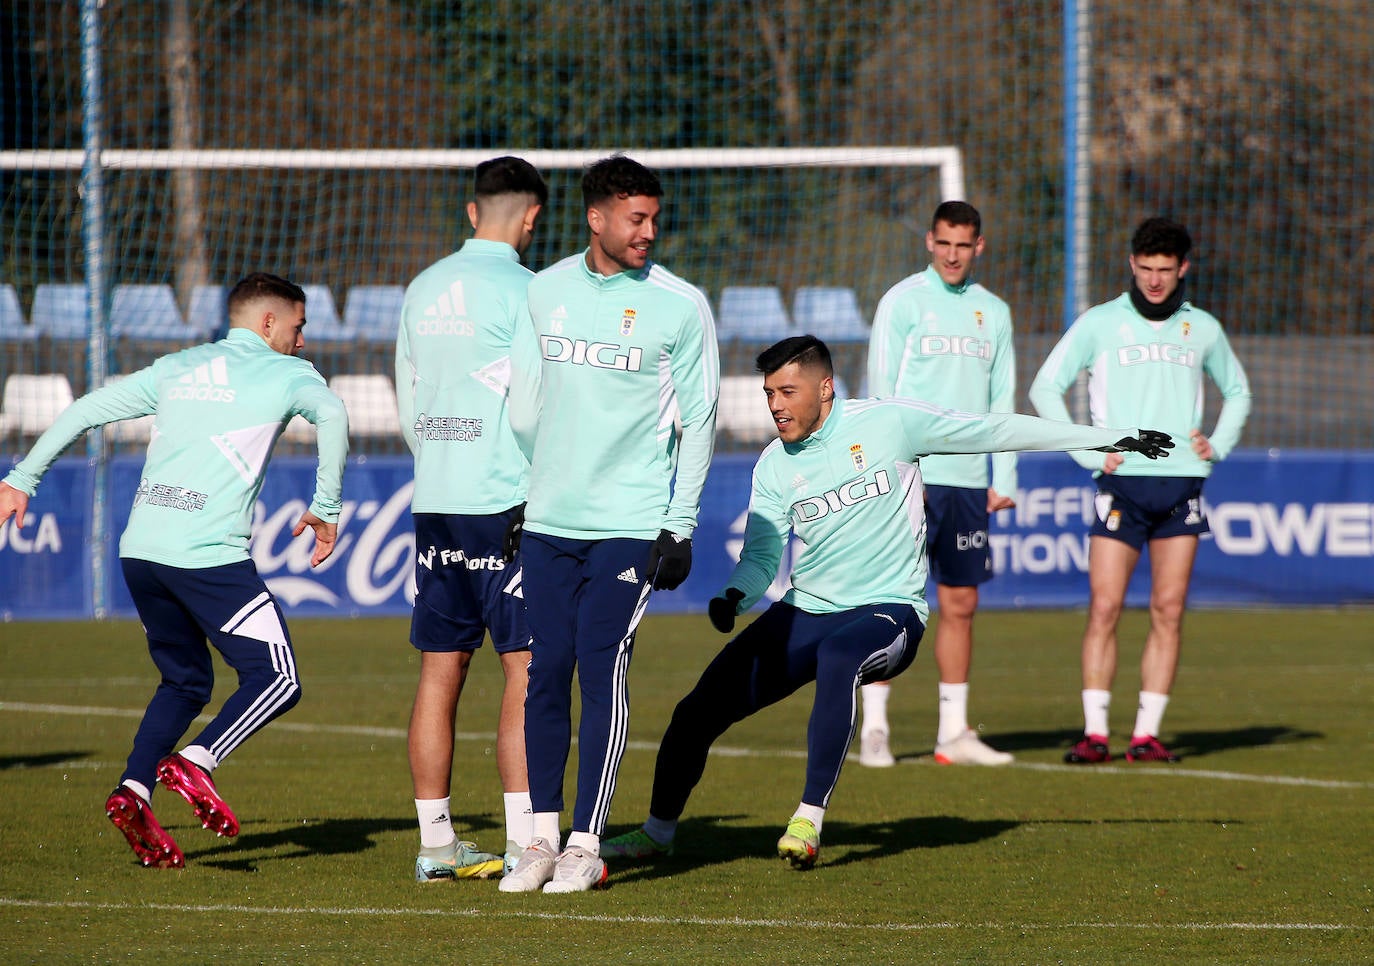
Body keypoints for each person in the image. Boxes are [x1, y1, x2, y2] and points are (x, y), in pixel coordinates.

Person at [602, 336, 1171, 870]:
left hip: (888, 612)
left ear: (826, 388)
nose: (776, 405)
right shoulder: (773, 465)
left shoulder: (889, 423)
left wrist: (1103, 438)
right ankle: (658, 834)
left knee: (840, 658)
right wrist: (735, 595)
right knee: (694, 712)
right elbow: (761, 557)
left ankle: (808, 819)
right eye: (769, 394)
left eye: (787, 392)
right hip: (804, 611)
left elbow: (992, 428)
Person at [0, 272, 347, 868]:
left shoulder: (179, 366)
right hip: (205, 555)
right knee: (277, 678)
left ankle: (134, 789)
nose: (303, 339)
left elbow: (84, 408)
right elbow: (335, 416)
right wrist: (327, 507)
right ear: (268, 323)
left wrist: (20, 478)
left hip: (142, 554)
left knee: (185, 682)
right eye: (298, 326)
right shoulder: (290, 374)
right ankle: (196, 761)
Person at [498, 154, 720, 893]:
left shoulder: (681, 305)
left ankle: (585, 844)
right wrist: (520, 498)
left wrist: (679, 525)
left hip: (629, 524)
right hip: (549, 521)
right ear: (596, 218)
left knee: (601, 670)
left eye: (654, 218)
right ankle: (536, 839)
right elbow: (523, 405)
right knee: (543, 675)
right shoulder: (546, 291)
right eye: (636, 217)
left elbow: (701, 420)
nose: (649, 231)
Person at [1029, 216, 1251, 764]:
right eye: (1146, 269)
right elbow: (1044, 387)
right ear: (1132, 265)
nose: (1155, 280)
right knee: (1104, 608)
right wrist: (1085, 450)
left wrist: (1217, 444)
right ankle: (1096, 734)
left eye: (1165, 270)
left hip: (1181, 484)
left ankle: (1147, 735)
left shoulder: (1202, 329)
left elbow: (1239, 391)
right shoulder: (1101, 323)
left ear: (1183, 269)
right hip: (1121, 485)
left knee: (1168, 609)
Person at [395, 157, 548, 883]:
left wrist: (438, 460)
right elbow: (528, 409)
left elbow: (406, 397)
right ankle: (523, 840)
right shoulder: (531, 290)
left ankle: (435, 844)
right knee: (525, 667)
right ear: (532, 218)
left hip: (437, 495)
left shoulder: (422, 289)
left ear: (470, 211)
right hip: (505, 498)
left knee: (439, 670)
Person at [860, 200, 1018, 768]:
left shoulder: (993, 313)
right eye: (944, 243)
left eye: (964, 245)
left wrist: (1006, 475)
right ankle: (875, 728)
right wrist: (893, 469)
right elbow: (880, 392)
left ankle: (953, 732)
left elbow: (1002, 401)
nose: (953, 255)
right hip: (912, 477)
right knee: (890, 601)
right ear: (930, 242)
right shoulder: (902, 301)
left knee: (960, 602)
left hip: (969, 481)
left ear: (980, 247)